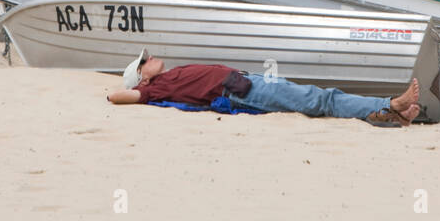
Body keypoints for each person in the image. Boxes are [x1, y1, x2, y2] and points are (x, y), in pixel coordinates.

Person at [106, 50, 422, 127]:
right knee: (318, 99)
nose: (150, 57)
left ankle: (391, 115)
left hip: (245, 82)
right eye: (144, 61)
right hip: (242, 91)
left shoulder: (168, 77)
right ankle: (390, 105)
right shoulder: (153, 90)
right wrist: (112, 94)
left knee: (315, 98)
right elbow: (121, 96)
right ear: (143, 78)